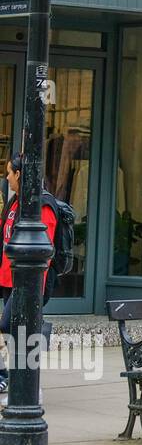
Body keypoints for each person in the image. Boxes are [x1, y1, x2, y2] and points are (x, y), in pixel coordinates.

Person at [0, 156, 59, 395]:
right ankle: (14, 382)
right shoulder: (15, 203)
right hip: (7, 278)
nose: (6, 178)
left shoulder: (42, 205)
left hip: (28, 283)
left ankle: (28, 387)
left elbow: (43, 251)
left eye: (9, 173)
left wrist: (36, 285)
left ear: (20, 175)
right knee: (16, 332)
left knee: (13, 328)